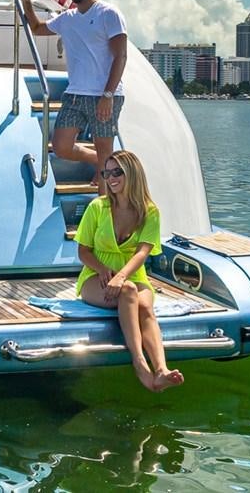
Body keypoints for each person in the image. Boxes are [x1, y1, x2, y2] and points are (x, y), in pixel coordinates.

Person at [73, 149, 183, 392]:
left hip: (133, 275)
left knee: (144, 304)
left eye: (117, 172)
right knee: (129, 292)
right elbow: (83, 252)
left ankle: (162, 370)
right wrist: (104, 270)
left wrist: (122, 276)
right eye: (106, 172)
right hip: (96, 276)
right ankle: (140, 364)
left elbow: (143, 252)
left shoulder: (149, 211)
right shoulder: (97, 207)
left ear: (132, 174)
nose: (110, 178)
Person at [15, 0, 127, 168]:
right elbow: (38, 29)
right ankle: (97, 161)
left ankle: (105, 194)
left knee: (105, 152)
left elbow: (121, 56)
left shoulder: (108, 14)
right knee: (61, 147)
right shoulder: (68, 18)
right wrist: (26, 2)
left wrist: (108, 96)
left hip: (103, 95)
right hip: (75, 94)